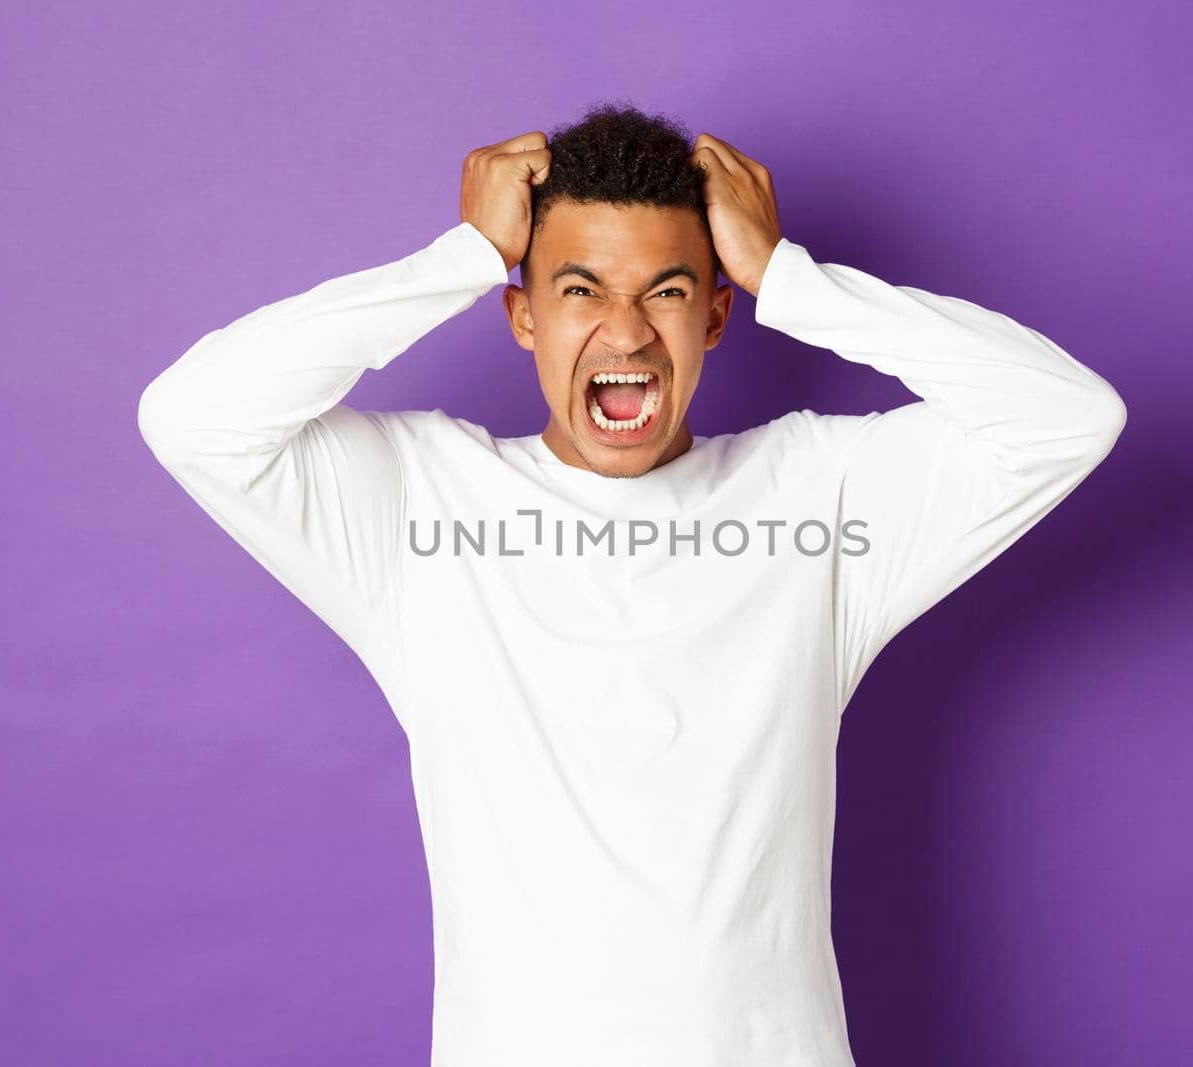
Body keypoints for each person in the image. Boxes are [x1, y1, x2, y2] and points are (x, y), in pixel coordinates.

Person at [136, 102, 1127, 1067]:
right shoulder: (416, 509)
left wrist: (795, 281)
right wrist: (461, 260)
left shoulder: (826, 500)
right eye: (579, 290)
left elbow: (1068, 417)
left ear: (716, 312)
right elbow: (192, 416)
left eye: (664, 290)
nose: (626, 330)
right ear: (522, 316)